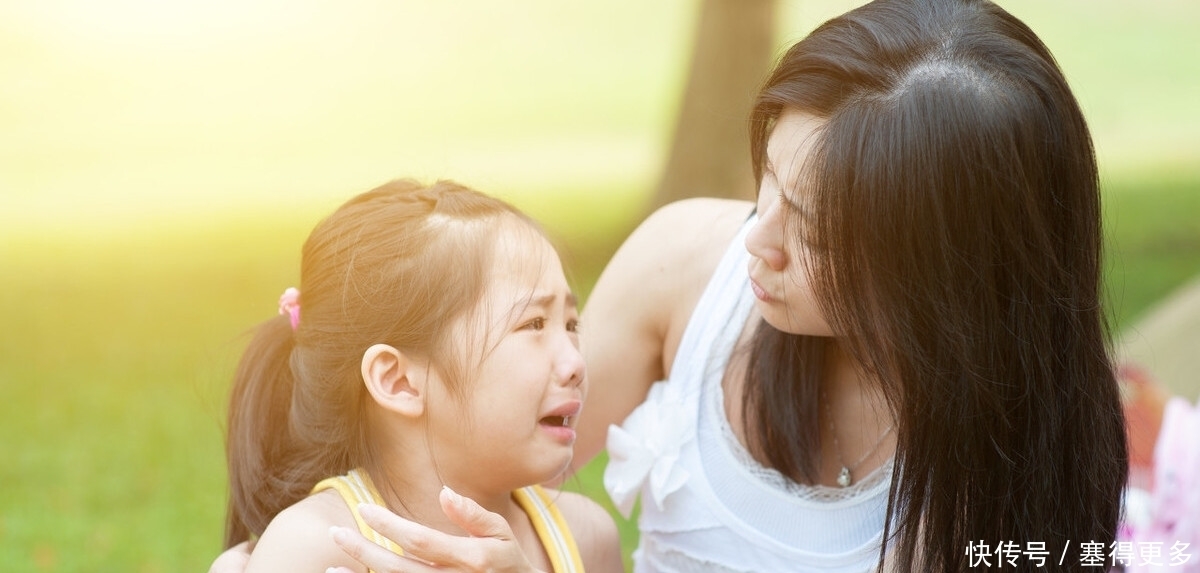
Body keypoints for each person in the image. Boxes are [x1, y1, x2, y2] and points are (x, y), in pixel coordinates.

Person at [212, 0, 1127, 570]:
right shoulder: (684, 267)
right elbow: (455, 441)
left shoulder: (1017, 461)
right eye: (764, 179)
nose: (753, 239)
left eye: (809, 228)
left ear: (942, 270)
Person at [219, 179, 621, 573]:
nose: (575, 363)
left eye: (571, 324)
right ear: (399, 381)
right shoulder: (317, 548)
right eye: (533, 323)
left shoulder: (587, 537)